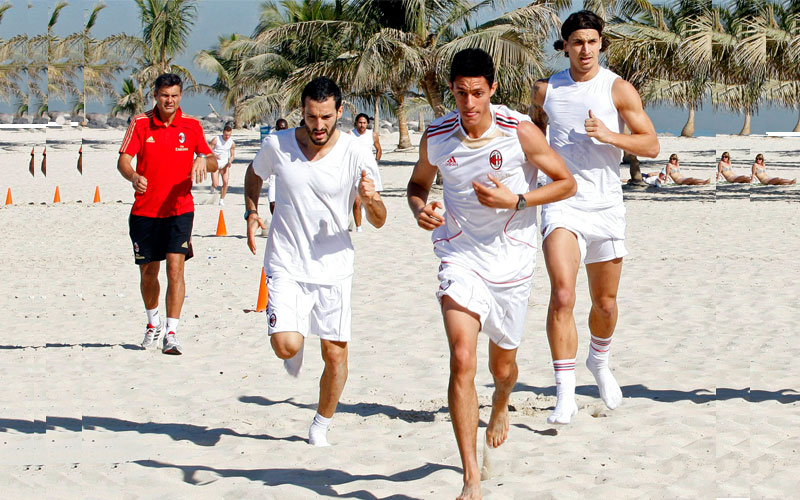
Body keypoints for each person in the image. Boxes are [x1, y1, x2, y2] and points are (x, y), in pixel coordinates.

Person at [407, 48, 575, 500]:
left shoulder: (518, 130)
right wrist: (420, 209)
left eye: (477, 93)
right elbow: (418, 184)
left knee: (502, 369)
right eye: (461, 93)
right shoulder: (437, 135)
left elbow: (566, 182)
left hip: (512, 262)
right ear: (452, 90)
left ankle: (501, 402)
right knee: (462, 358)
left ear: (492, 89)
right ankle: (471, 478)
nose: (469, 103)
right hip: (459, 256)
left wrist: (516, 201)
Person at [529, 10, 660, 425]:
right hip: (562, 203)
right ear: (565, 46)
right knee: (563, 295)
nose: (585, 49)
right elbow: (532, 137)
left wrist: (609, 135)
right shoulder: (545, 90)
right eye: (577, 42)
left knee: (605, 304)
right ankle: (564, 393)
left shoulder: (617, 88)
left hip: (606, 206)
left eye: (591, 41)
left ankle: (599, 362)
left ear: (601, 43)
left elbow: (651, 145)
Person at [244, 77, 386, 447]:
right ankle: (295, 335)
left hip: (334, 266)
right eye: (311, 117)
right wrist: (251, 211)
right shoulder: (277, 144)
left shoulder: (356, 152)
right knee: (286, 346)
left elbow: (379, 219)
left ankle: (320, 425)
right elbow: (253, 174)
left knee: (335, 355)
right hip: (286, 262)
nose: (318, 125)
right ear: (302, 112)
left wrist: (371, 200)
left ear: (340, 112)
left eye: (326, 117)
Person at [117, 73, 218, 355]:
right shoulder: (140, 123)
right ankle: (154, 323)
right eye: (164, 96)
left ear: (180, 96)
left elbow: (213, 161)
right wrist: (133, 176)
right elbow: (123, 160)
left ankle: (171, 333)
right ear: (156, 96)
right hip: (145, 211)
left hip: (179, 210)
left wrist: (202, 160)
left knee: (175, 268)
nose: (169, 101)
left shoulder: (192, 126)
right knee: (149, 273)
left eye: (174, 96)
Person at [349, 113, 383, 232]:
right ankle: (358, 227)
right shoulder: (350, 134)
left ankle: (374, 220)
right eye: (360, 122)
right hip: (355, 170)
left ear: (367, 123)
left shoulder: (372, 135)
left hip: (370, 169)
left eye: (364, 123)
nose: (362, 125)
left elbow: (379, 149)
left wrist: (376, 161)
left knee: (374, 197)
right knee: (357, 200)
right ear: (356, 123)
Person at [209, 121, 236, 205]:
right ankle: (213, 186)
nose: (227, 137)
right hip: (215, 164)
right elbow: (208, 150)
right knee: (216, 184)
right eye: (225, 135)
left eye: (229, 135)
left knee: (225, 182)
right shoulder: (216, 139)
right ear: (223, 133)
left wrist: (230, 161)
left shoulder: (231, 142)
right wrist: (214, 155)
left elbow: (232, 155)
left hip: (224, 165)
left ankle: (221, 200)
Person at [267, 118, 290, 214]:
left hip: (288, 175)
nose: (282, 132)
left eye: (284, 129)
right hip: (274, 175)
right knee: (272, 201)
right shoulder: (271, 141)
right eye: (280, 129)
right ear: (276, 129)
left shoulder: (292, 141)